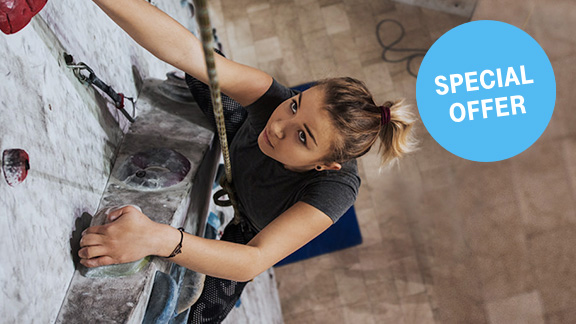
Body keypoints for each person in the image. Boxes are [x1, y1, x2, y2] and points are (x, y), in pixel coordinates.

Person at [78, 0, 418, 322]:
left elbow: (253, 260)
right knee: (203, 71)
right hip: (240, 133)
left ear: (324, 165)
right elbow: (187, 52)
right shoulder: (274, 104)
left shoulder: (336, 190)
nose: (280, 125)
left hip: (249, 227)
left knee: (199, 314)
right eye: (296, 104)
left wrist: (157, 238)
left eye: (303, 137)